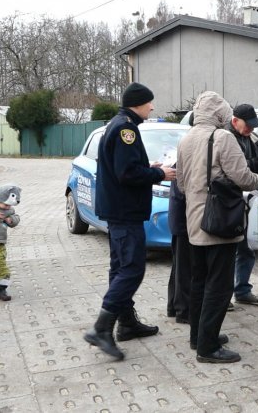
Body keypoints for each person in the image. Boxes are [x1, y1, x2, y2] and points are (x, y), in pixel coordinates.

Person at [83, 82, 175, 360]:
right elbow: (127, 174)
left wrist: (150, 168)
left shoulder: (119, 124)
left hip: (118, 210)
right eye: (149, 102)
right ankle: (101, 329)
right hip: (125, 212)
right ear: (137, 103)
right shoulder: (126, 128)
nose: (153, 107)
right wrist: (160, 175)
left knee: (120, 266)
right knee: (132, 269)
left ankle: (126, 323)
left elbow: (126, 168)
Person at [177, 91, 258, 364]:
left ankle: (198, 336)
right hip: (219, 222)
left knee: (199, 280)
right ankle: (208, 346)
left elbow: (180, 184)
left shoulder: (186, 138)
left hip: (194, 221)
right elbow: (243, 177)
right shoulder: (222, 137)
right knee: (220, 286)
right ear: (220, 114)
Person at [226, 103, 258, 307]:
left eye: (253, 126)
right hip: (229, 201)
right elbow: (233, 170)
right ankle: (223, 295)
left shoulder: (255, 140)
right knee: (228, 251)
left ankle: (243, 290)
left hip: (251, 200)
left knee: (247, 248)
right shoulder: (225, 139)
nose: (251, 129)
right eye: (248, 125)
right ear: (235, 121)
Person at [166, 173, 192, 324]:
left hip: (180, 214)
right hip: (185, 216)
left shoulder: (181, 150)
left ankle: (174, 307)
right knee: (185, 266)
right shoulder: (189, 150)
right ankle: (184, 311)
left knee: (179, 265)